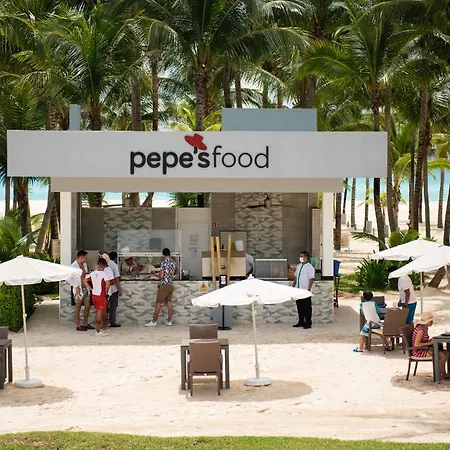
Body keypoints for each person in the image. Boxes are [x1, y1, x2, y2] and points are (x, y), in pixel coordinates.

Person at [412, 312, 450, 380]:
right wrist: (430, 343)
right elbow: (416, 344)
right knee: (442, 355)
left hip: (424, 348)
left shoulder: (425, 328)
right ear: (427, 322)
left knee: (447, 353)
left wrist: (430, 341)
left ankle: (442, 373)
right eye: (431, 321)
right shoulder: (420, 330)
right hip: (419, 351)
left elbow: (423, 341)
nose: (432, 322)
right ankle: (441, 375)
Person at [145, 248, 176, 327]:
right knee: (169, 302)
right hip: (170, 284)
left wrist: (156, 275)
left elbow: (161, 275)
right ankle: (169, 321)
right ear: (170, 254)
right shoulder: (173, 263)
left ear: (163, 255)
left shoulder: (163, 263)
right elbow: (172, 274)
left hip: (164, 285)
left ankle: (154, 321)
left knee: (158, 303)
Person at [84, 258, 112, 337]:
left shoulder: (92, 273)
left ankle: (100, 328)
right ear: (104, 266)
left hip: (94, 295)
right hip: (101, 295)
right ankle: (98, 331)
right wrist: (106, 291)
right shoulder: (104, 274)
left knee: (98, 311)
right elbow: (108, 284)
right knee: (99, 313)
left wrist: (90, 288)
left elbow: (84, 280)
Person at [69, 250, 93, 332]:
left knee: (87, 305)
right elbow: (68, 278)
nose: (86, 259)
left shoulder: (84, 264)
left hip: (85, 287)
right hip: (78, 288)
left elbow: (85, 275)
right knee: (78, 306)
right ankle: (78, 325)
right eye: (85, 258)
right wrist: (75, 286)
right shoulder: (73, 266)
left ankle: (85, 323)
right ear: (81, 257)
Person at [292, 251, 315, 329]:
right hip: (298, 289)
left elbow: (311, 278)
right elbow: (296, 277)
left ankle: (308, 323)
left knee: (307, 307)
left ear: (306, 257)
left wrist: (309, 289)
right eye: (300, 256)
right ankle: (301, 321)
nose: (300, 258)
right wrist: (293, 286)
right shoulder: (299, 266)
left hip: (305, 290)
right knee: (300, 306)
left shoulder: (309, 267)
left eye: (302, 256)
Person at [108, 251, 122, 327]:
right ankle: (112, 322)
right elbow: (116, 278)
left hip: (106, 289)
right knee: (113, 306)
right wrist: (119, 289)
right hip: (113, 289)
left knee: (106, 306)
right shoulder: (114, 265)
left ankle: (105, 321)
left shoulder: (106, 264)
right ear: (116, 258)